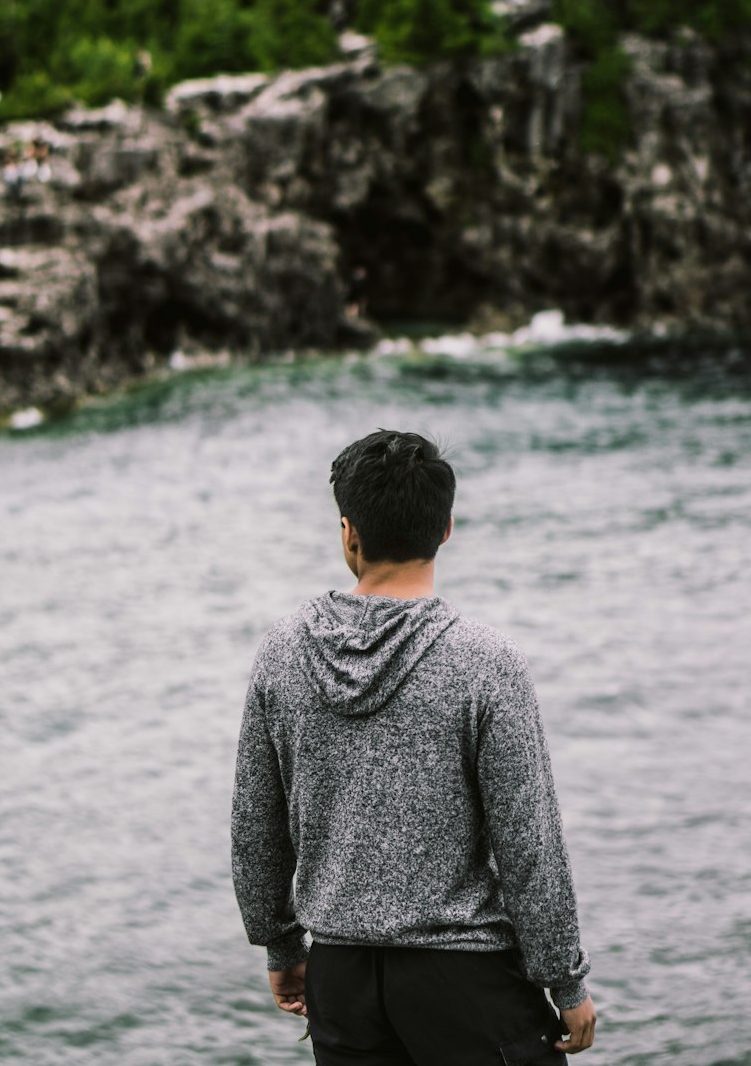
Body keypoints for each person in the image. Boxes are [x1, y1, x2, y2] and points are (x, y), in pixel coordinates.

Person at [231, 430, 596, 1064]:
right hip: (465, 983)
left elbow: (255, 826)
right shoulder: (486, 661)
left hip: (341, 980)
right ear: (446, 528)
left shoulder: (281, 653)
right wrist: (564, 980)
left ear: (349, 532)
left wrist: (283, 948)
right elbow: (528, 841)